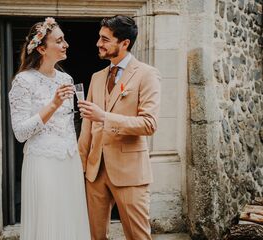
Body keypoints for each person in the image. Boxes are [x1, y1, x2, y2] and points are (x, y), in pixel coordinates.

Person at [78, 15, 161, 240]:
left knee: (137, 236)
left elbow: (149, 124)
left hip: (130, 172)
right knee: (96, 236)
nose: (99, 44)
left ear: (124, 43)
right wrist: (81, 164)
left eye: (105, 39)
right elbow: (87, 125)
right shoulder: (97, 77)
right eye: (99, 38)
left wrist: (105, 117)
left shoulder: (147, 74)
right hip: (95, 172)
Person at [9, 17, 90, 240]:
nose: (66, 45)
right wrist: (53, 105)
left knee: (70, 218)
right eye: (60, 40)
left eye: (64, 40)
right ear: (42, 48)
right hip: (42, 160)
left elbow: (66, 124)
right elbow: (21, 133)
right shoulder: (23, 81)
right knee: (47, 221)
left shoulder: (66, 78)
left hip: (69, 159)